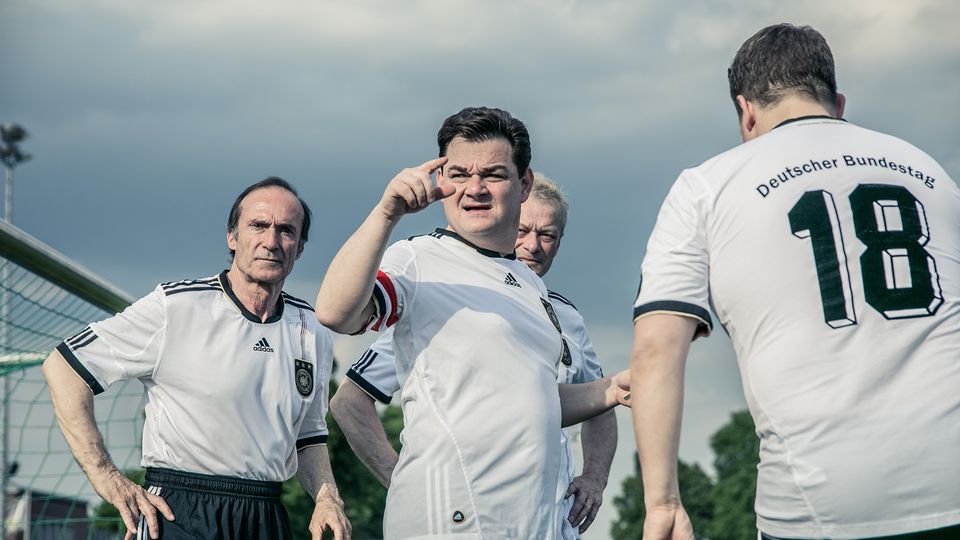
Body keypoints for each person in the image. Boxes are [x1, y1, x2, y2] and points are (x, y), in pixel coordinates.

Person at [630, 23, 960, 540]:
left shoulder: (706, 185)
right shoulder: (928, 169)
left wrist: (663, 502)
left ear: (746, 110)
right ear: (838, 102)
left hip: (824, 498)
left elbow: (655, 349)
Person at [315, 107, 629, 539]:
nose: (474, 189)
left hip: (530, 523)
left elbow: (534, 401)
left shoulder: (530, 287)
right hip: (452, 522)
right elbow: (335, 313)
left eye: (493, 175)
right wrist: (386, 213)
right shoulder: (419, 259)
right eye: (459, 174)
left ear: (524, 184)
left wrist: (611, 389)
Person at [42, 178, 351, 540]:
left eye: (286, 231)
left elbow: (308, 436)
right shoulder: (176, 307)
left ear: (299, 248)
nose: (271, 241)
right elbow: (64, 366)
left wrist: (328, 497)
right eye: (258, 226)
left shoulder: (312, 330)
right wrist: (106, 476)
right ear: (232, 237)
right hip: (178, 510)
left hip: (265, 514)